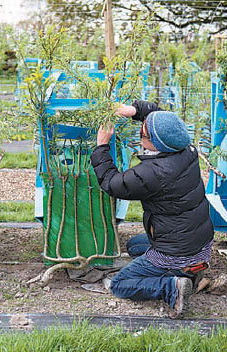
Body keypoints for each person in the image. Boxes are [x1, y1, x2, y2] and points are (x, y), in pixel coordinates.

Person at [91, 100, 214, 319]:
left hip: (177, 250)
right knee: (133, 246)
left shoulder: (153, 172)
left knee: (120, 284)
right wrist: (135, 111)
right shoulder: (185, 148)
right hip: (197, 240)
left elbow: (112, 183)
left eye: (142, 134)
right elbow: (164, 119)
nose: (140, 133)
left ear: (155, 143)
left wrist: (102, 146)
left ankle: (172, 287)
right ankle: (190, 269)